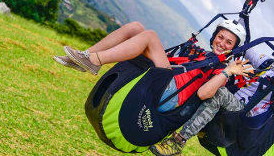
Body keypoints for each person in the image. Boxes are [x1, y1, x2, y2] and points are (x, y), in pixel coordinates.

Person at [149, 25, 274, 156]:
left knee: (217, 92)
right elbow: (246, 46)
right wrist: (245, 12)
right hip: (231, 106)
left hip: (244, 121)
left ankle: (177, 143)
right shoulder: (266, 63)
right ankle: (164, 118)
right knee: (210, 80)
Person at [54, 20, 252, 112]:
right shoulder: (205, 55)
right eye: (220, 37)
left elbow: (203, 94)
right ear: (214, 37)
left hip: (170, 93)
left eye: (229, 42)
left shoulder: (221, 69)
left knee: (150, 36)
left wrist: (227, 71)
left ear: (234, 48)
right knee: (136, 28)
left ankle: (93, 61)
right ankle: (85, 58)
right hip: (165, 79)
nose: (222, 43)